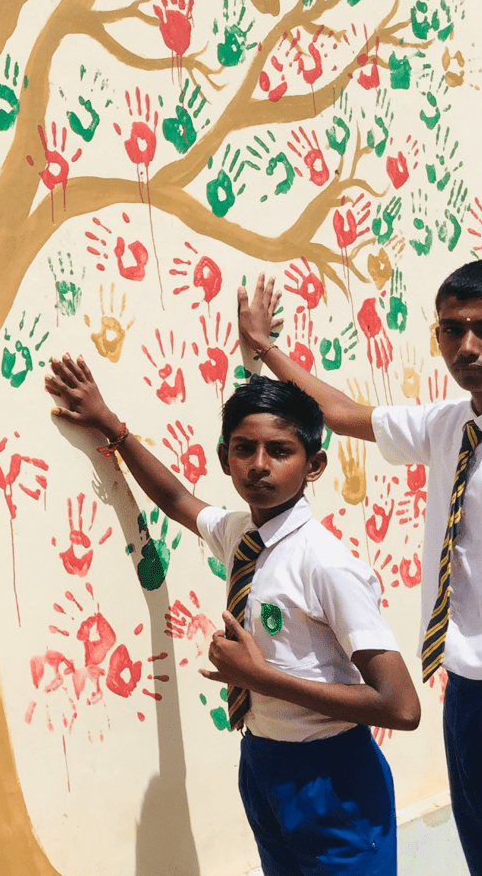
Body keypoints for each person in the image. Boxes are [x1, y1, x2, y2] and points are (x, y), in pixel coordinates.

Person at [237, 258, 482, 876]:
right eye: (451, 329)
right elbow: (340, 413)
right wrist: (263, 348)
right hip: (466, 703)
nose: (466, 346)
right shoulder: (451, 426)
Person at [46, 359, 420, 876]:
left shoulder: (327, 565)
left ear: (314, 465)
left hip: (333, 778)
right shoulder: (240, 533)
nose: (259, 465)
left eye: (280, 451)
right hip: (263, 763)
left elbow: (400, 707)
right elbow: (176, 498)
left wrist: (261, 678)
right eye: (244, 449)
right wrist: (110, 424)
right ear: (225, 458)